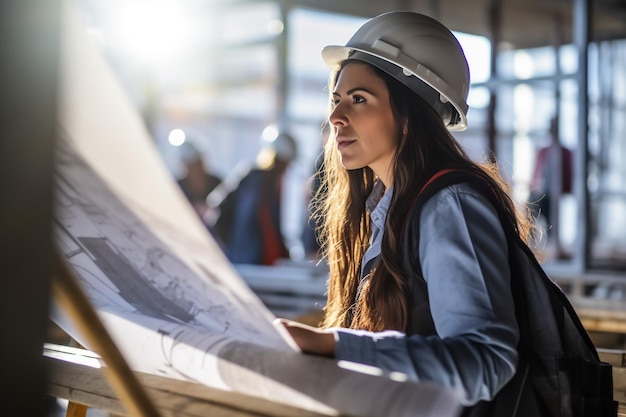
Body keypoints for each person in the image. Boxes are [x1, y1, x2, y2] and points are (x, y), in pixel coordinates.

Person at [275, 12, 536, 410]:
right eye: (337, 99)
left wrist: (338, 346)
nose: (336, 117)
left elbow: (486, 363)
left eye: (359, 99)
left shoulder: (450, 206)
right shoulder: (388, 206)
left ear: (410, 114)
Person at [211, 131, 297, 265]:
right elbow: (222, 213)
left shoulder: (271, 187)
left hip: (261, 262)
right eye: (281, 163)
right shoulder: (251, 181)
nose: (283, 169)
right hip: (245, 262)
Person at [176, 140, 222, 229]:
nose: (195, 170)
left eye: (197, 164)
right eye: (191, 166)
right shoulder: (177, 188)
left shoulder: (218, 184)